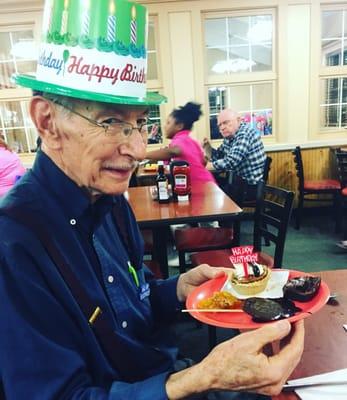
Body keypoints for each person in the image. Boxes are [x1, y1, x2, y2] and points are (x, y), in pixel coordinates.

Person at [0, 1, 304, 399]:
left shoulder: (111, 203)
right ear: (46, 121)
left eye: (140, 123)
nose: (138, 149)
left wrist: (178, 288)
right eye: (111, 122)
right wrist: (203, 377)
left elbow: (131, 305)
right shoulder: (14, 244)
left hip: (162, 370)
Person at [146, 102, 216, 185]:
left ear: (179, 126)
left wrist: (143, 155)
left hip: (201, 186)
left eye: (168, 123)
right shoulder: (191, 140)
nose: (165, 126)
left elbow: (174, 151)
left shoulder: (181, 139)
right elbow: (203, 162)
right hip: (208, 183)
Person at [203, 109, 266, 200]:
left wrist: (205, 167)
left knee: (213, 193)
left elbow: (231, 161)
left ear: (238, 120)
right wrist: (208, 147)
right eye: (220, 125)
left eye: (225, 122)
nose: (222, 128)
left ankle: (224, 214)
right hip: (238, 182)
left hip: (251, 186)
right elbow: (220, 156)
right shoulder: (230, 136)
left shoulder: (244, 134)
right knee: (211, 185)